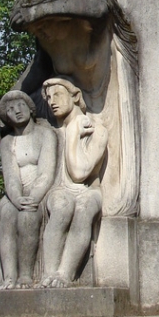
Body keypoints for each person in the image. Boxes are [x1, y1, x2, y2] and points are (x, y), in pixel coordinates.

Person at [40, 78, 109, 288]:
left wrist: (72, 135)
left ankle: (64, 274)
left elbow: (79, 173)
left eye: (58, 95)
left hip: (89, 190)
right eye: (49, 97)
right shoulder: (49, 132)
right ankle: (49, 274)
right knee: (62, 205)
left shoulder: (98, 131)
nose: (52, 101)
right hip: (59, 190)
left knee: (85, 206)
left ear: (75, 96)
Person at [0, 91, 58, 290]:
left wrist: (33, 198)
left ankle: (26, 276)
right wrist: (17, 198)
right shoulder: (7, 142)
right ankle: (9, 277)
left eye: (20, 105)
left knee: (28, 217)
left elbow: (46, 173)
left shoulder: (45, 135)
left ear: (30, 108)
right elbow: (10, 176)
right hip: (17, 193)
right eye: (10, 109)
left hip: (40, 191)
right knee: (6, 212)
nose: (16, 111)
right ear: (6, 117)